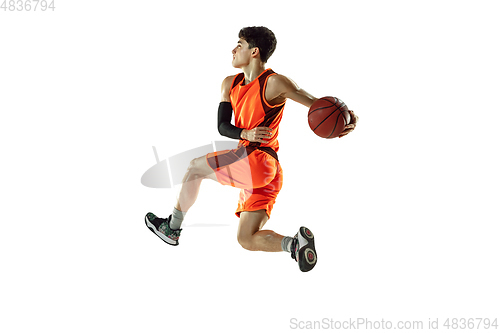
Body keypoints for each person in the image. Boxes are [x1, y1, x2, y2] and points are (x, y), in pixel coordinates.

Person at [145, 26, 358, 272]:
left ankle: (172, 227)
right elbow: (222, 126)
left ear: (254, 51)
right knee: (246, 238)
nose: (233, 50)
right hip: (267, 173)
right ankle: (295, 246)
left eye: (239, 44)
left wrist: (347, 118)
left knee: (194, 168)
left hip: (257, 160)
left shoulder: (275, 83)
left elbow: (317, 105)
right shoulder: (229, 84)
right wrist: (244, 133)